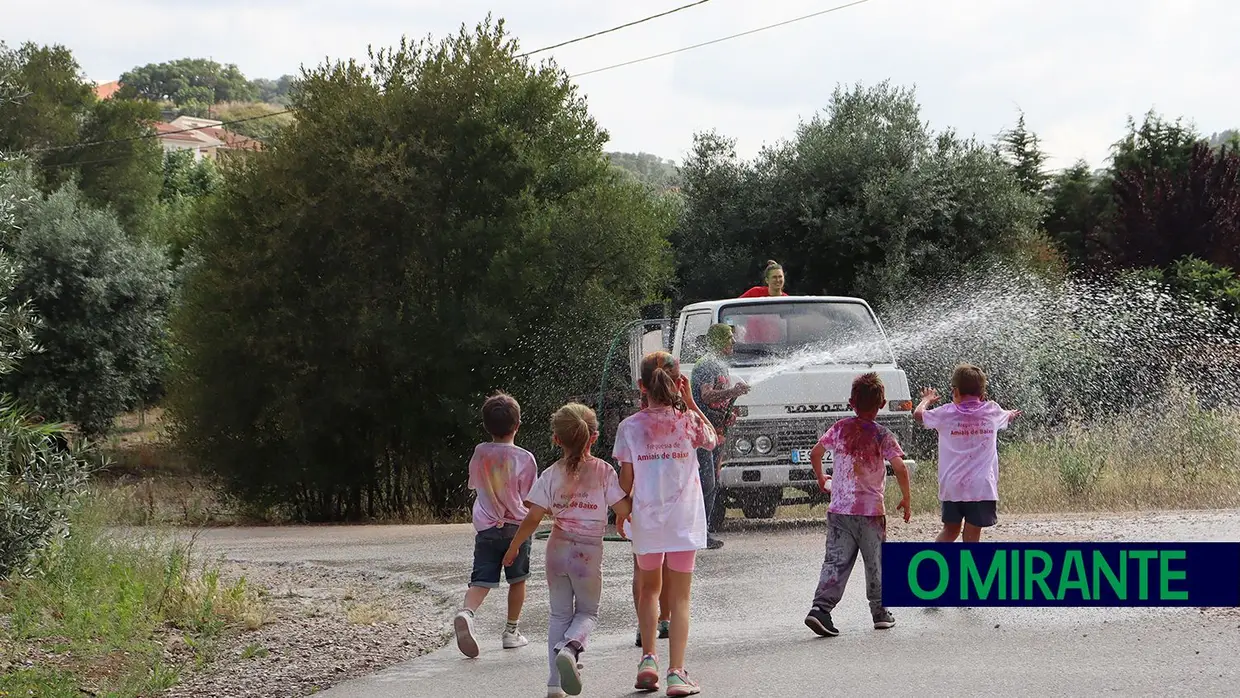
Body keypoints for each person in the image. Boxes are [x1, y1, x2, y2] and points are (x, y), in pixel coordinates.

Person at [503, 403, 632, 698]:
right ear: (594, 437)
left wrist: (513, 547)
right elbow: (623, 508)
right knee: (588, 612)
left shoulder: (550, 474)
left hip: (556, 550)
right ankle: (571, 649)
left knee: (559, 616)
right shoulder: (603, 471)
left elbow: (533, 517)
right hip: (587, 554)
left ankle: (554, 685)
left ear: (556, 439)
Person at [614, 351, 718, 696]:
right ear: (677, 384)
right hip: (684, 520)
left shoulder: (629, 427)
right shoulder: (688, 421)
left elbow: (625, 480)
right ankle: (677, 672)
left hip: (646, 518)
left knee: (649, 590)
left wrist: (620, 512)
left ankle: (648, 659)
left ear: (641, 386)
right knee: (681, 599)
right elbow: (712, 440)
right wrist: (690, 402)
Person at [804, 373, 912, 637]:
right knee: (876, 562)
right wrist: (906, 498)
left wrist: (821, 477)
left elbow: (815, 453)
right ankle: (880, 613)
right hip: (871, 513)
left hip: (840, 510)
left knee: (835, 561)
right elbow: (899, 466)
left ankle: (821, 610)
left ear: (852, 402)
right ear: (882, 403)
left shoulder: (841, 428)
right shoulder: (882, 435)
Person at [453, 392, 538, 658]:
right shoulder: (526, 458)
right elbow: (529, 498)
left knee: (481, 579)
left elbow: (474, 482)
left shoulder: (481, 453)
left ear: (486, 426)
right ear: (518, 425)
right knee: (518, 580)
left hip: (488, 528)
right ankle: (511, 632)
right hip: (517, 528)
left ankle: (467, 613)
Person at [914, 363, 1021, 544]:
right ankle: (968, 571)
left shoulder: (945, 413)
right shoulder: (992, 411)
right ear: (982, 394)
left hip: (952, 485)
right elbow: (1007, 416)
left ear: (955, 391)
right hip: (981, 487)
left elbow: (918, 415)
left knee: (950, 531)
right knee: (972, 537)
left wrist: (927, 400)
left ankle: (932, 568)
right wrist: (1011, 413)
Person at [690, 323, 751, 549]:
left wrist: (731, 408)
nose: (733, 342)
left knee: (712, 483)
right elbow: (706, 396)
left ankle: (702, 532)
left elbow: (717, 401)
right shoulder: (708, 365)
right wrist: (732, 392)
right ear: (717, 341)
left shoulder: (720, 365)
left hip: (716, 433)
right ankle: (698, 533)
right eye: (728, 338)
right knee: (706, 482)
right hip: (703, 433)